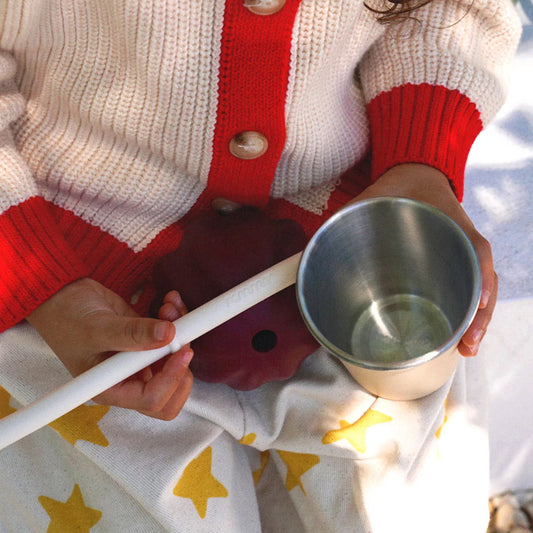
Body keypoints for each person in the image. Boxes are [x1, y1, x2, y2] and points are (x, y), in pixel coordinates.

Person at [0, 1, 521, 531]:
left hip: (351, 245)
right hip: (66, 289)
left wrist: (419, 161)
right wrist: (34, 277)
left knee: (401, 509)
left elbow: (451, 12)